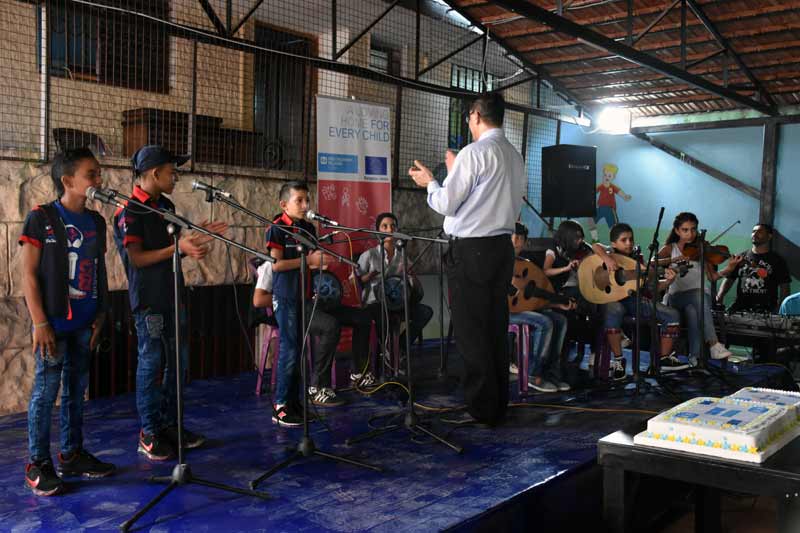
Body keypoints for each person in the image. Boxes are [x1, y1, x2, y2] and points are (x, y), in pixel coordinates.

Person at [409, 92, 525, 426]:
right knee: (494, 326)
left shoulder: (475, 154)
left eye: (468, 116)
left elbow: (447, 203)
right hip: (501, 248)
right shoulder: (514, 156)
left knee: (472, 331)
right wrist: (453, 172)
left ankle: (481, 408)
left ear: (475, 116)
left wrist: (431, 182)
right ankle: (496, 403)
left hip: (472, 250)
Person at [114, 145, 227, 460]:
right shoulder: (129, 210)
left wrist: (196, 237)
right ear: (154, 173)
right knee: (151, 364)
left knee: (178, 363)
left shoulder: (165, 205)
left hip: (172, 295)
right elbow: (136, 258)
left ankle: (170, 425)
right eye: (171, 171)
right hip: (149, 301)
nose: (176, 176)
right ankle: (149, 432)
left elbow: (178, 242)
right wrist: (180, 249)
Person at [19, 147, 115, 496]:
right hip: (54, 326)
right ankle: (37, 463)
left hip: (84, 323)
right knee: (46, 393)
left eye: (98, 173)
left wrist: (101, 312)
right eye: (92, 174)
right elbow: (28, 275)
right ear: (68, 180)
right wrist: (40, 322)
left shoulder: (97, 222)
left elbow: (98, 270)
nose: (99, 180)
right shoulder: (41, 218)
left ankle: (72, 453)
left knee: (77, 390)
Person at [591, 223, 685, 381]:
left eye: (631, 239)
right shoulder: (610, 252)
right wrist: (607, 258)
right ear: (614, 243)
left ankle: (663, 358)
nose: (628, 243)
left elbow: (651, 288)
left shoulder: (639, 260)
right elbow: (595, 245)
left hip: (633, 299)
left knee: (672, 314)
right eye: (624, 240)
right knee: (614, 309)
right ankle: (619, 360)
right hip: (611, 299)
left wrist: (669, 281)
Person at [358, 212, 434, 382]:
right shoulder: (369, 255)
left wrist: (410, 276)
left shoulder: (402, 255)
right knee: (382, 317)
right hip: (375, 303)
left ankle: (400, 347)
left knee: (425, 312)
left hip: (397, 302)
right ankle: (382, 361)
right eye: (384, 226)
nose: (389, 229)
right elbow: (356, 280)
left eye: (393, 226)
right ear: (378, 230)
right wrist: (370, 276)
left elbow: (411, 282)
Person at [658, 212, 732, 364]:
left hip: (700, 301)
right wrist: (674, 259)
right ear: (677, 231)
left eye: (693, 229)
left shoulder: (701, 250)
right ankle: (713, 343)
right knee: (698, 295)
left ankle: (695, 359)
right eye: (685, 230)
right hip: (676, 298)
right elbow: (652, 263)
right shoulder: (669, 248)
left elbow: (712, 277)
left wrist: (730, 268)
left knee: (693, 310)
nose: (690, 234)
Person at [509, 223, 573, 392]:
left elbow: (533, 298)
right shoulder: (496, 260)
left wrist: (557, 302)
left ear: (525, 242)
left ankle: (551, 374)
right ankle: (533, 373)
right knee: (544, 322)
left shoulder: (525, 264)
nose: (516, 241)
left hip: (521, 309)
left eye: (520, 238)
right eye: (512, 236)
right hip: (503, 312)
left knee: (560, 319)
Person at [716, 223, 791, 313]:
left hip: (767, 311)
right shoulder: (740, 257)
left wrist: (780, 310)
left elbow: (785, 288)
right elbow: (729, 279)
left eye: (759, 231)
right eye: (753, 231)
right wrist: (719, 297)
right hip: (740, 308)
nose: (754, 234)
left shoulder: (778, 261)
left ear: (769, 236)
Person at [588, 163, 631, 243]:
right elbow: (593, 192)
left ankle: (615, 242)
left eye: (609, 176)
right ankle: (595, 238)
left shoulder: (612, 187)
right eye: (605, 175)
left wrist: (625, 196)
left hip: (610, 209)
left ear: (613, 177)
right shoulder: (601, 186)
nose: (606, 177)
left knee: (614, 227)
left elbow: (619, 192)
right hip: (600, 208)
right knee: (590, 220)